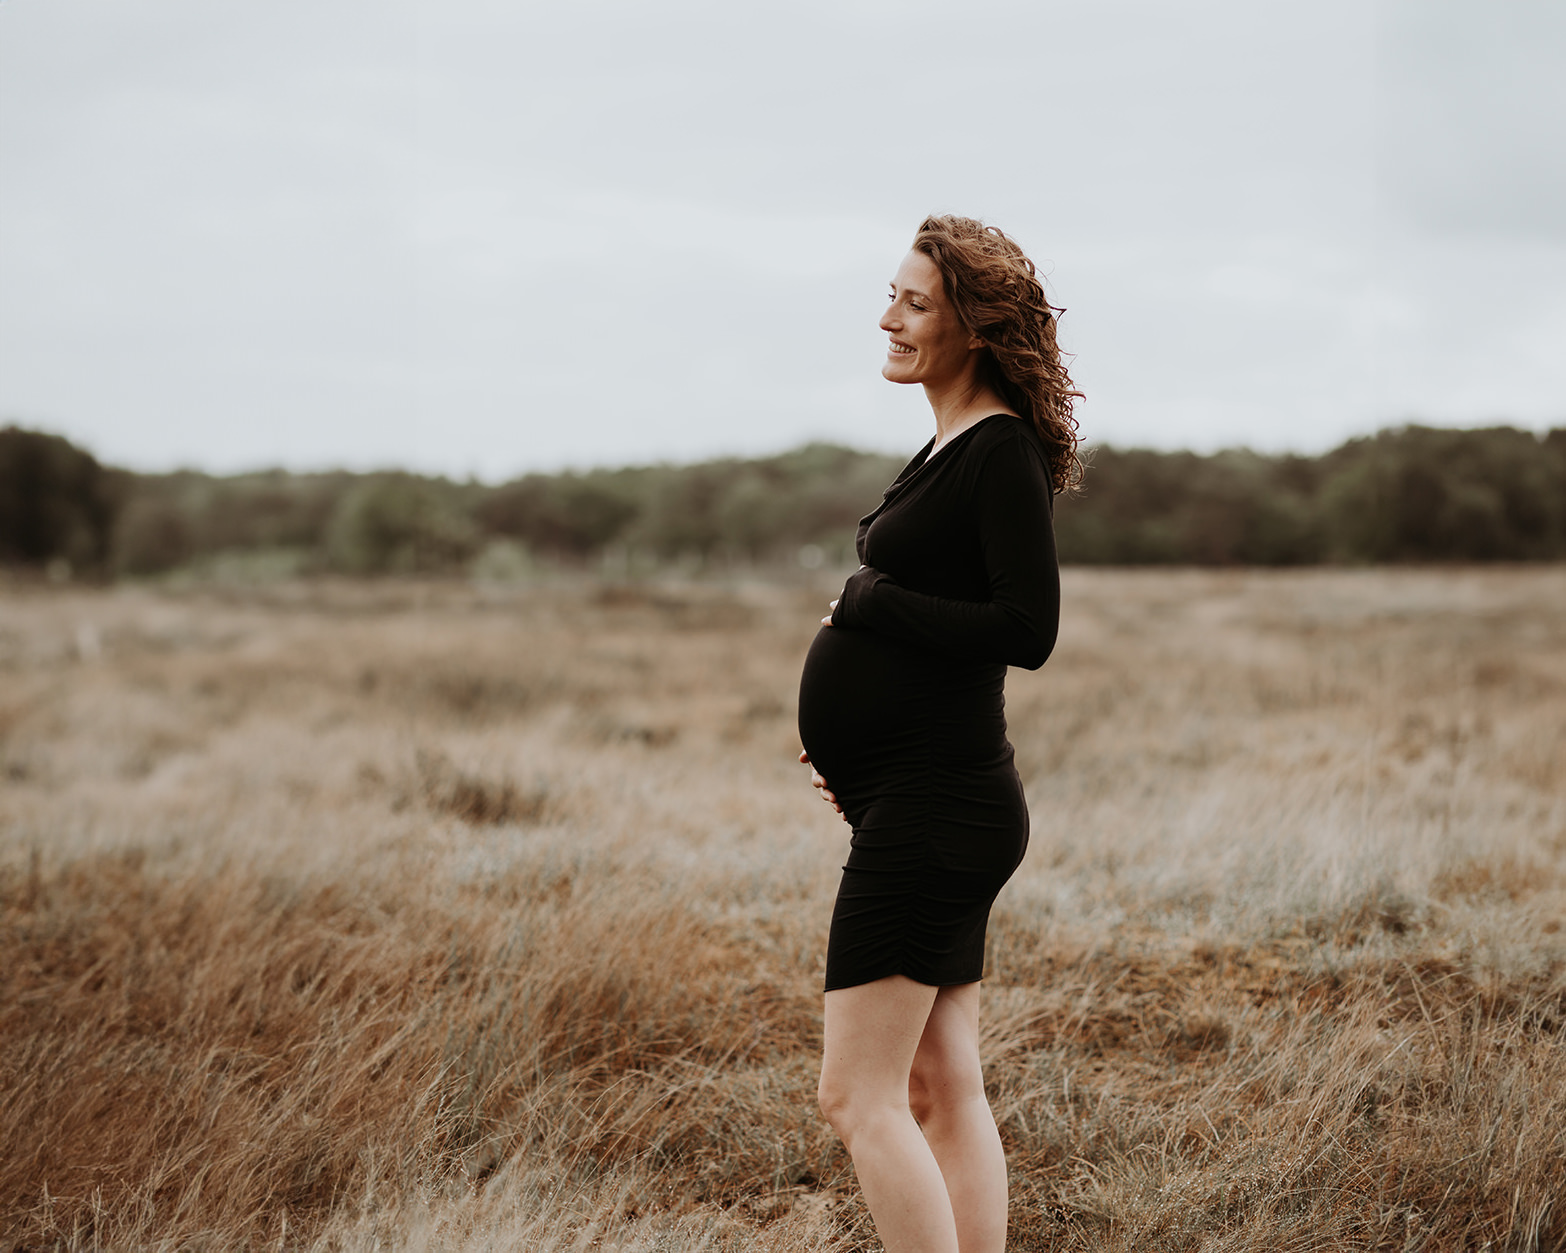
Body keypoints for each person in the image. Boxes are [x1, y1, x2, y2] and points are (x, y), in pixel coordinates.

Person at [796, 214, 1082, 1252]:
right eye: (894, 295)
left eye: (915, 303)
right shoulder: (947, 442)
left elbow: (1027, 628)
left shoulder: (997, 449)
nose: (889, 318)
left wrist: (870, 607)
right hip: (919, 797)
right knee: (936, 1078)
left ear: (974, 323)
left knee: (856, 1094)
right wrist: (856, 753)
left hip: (937, 807)